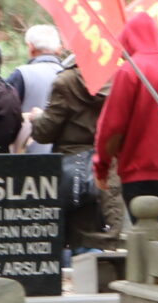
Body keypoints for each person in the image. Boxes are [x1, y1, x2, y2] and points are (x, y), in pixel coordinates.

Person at [94, 12, 158, 209]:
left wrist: (101, 168)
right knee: (156, 232)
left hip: (137, 171)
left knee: (142, 235)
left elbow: (112, 127)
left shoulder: (129, 71)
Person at [28, 53, 118, 241]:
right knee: (103, 235)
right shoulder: (119, 80)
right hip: (108, 167)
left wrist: (37, 118)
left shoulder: (65, 82)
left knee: (74, 235)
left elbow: (45, 132)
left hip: (72, 166)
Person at [7, 25, 65, 154]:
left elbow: (5, 116)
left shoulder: (21, 74)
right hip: (63, 158)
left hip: (27, 159)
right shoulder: (72, 77)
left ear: (31, 47)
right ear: (59, 49)